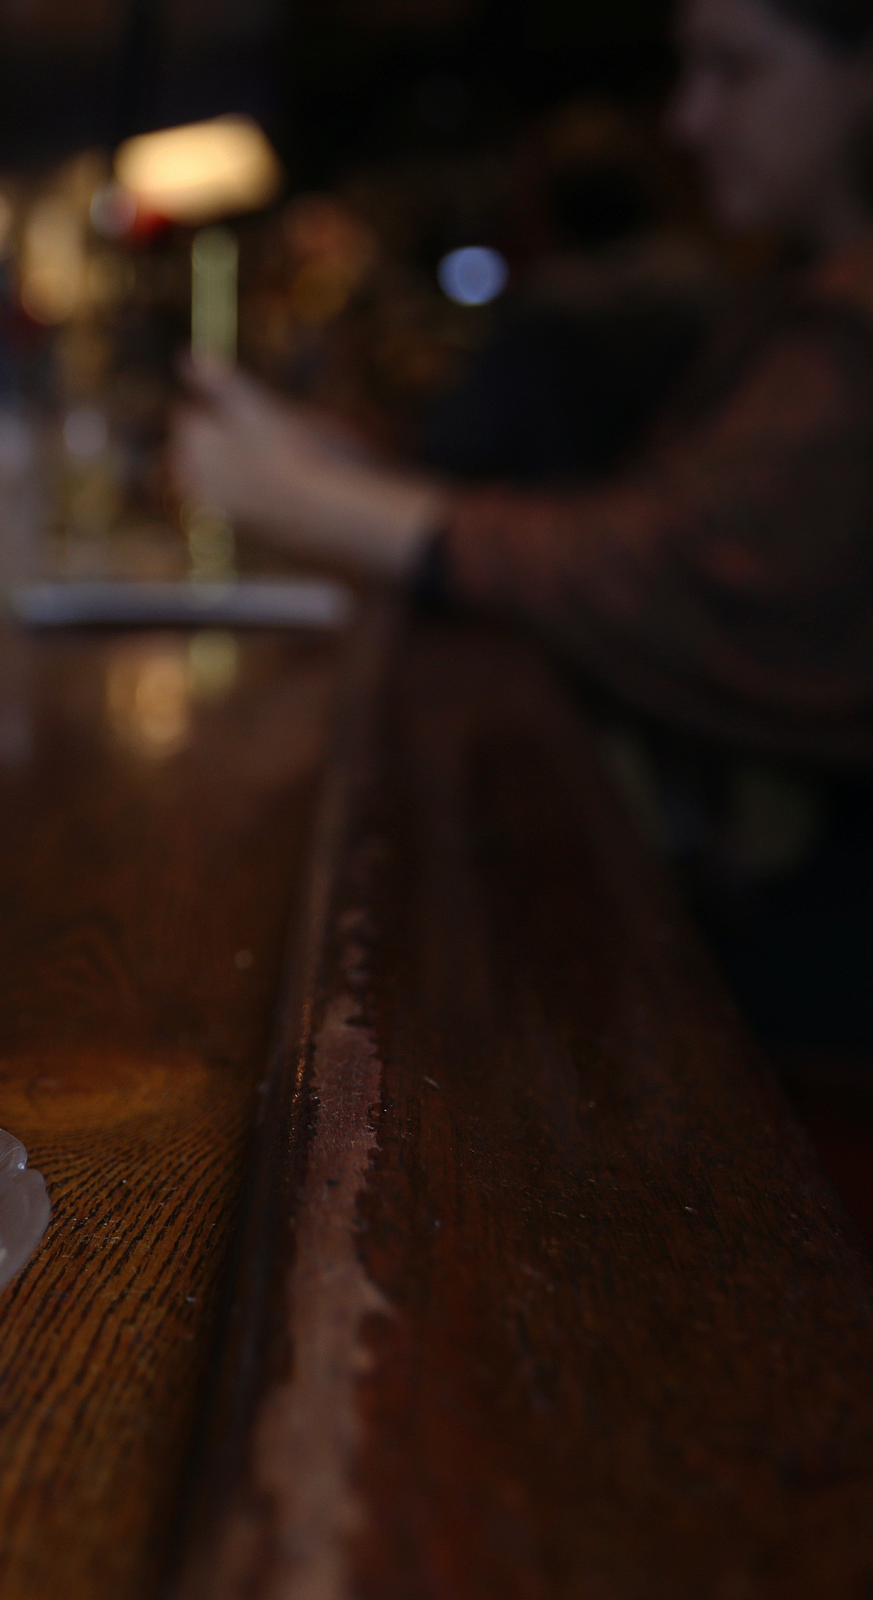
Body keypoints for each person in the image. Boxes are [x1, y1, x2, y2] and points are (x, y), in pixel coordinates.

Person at [173, 0, 873, 1054]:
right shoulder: (784, 286)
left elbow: (671, 567)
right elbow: (634, 515)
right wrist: (338, 470)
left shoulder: (843, 325)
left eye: (735, 69)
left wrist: (323, 499)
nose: (686, 120)